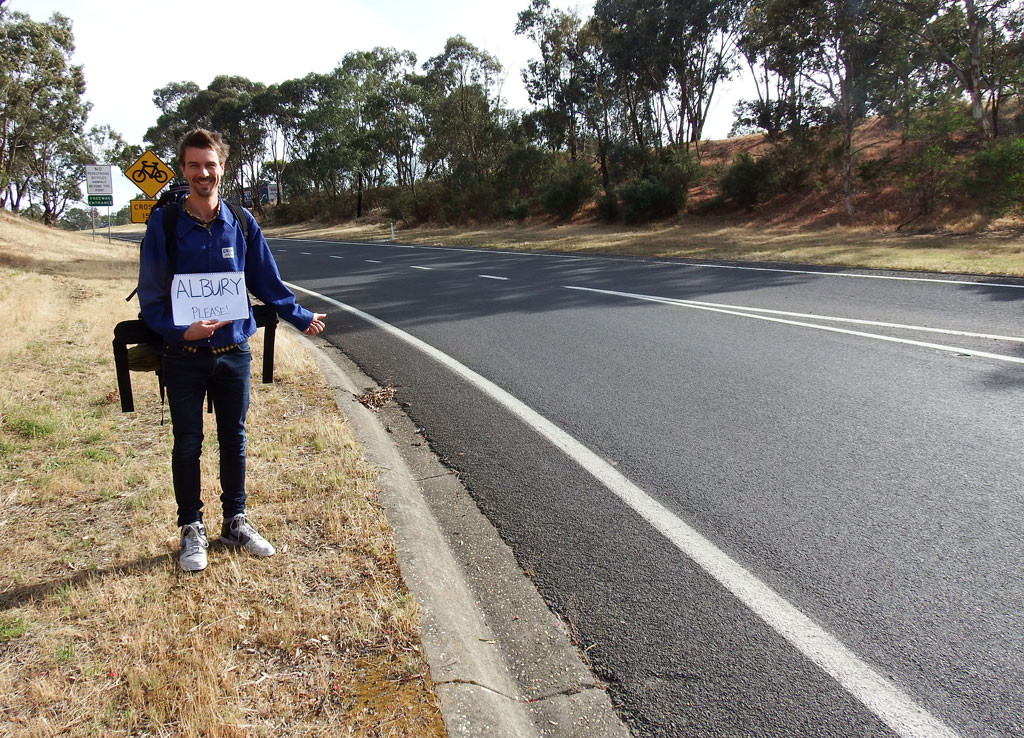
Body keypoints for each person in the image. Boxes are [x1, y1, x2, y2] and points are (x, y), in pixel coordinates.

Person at [137, 128, 326, 572]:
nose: (202, 173)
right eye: (193, 165)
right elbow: (151, 297)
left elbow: (265, 280)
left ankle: (235, 521)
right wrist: (182, 333)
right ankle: (191, 528)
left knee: (234, 439)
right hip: (183, 356)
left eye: (210, 165)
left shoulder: (241, 222)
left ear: (222, 168)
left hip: (233, 350)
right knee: (187, 443)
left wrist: (298, 315)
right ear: (183, 170)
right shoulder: (163, 225)